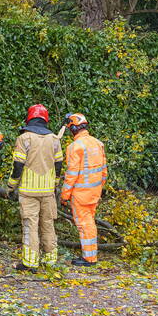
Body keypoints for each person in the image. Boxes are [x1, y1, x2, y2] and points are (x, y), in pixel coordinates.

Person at [8, 104, 63, 271]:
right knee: (47, 224)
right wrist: (55, 183)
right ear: (45, 120)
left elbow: (18, 166)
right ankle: (50, 260)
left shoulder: (24, 138)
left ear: (29, 118)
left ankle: (30, 263)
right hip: (47, 191)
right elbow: (58, 164)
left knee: (30, 225)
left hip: (28, 191)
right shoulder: (54, 139)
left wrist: (11, 186)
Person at [60, 112, 107, 266]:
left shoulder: (75, 147)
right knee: (90, 222)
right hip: (94, 192)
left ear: (73, 128)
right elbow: (104, 170)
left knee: (84, 224)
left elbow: (71, 175)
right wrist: (100, 187)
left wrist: (64, 195)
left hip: (81, 194)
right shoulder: (98, 143)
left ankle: (89, 258)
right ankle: (90, 254)